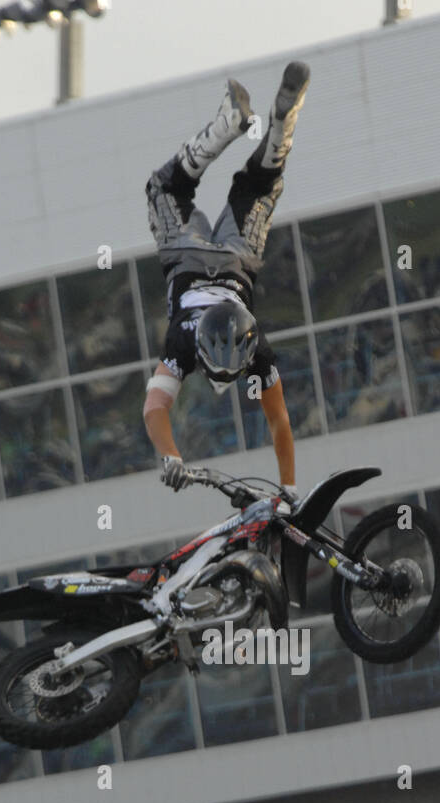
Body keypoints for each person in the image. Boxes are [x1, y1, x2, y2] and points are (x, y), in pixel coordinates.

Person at [143, 63, 311, 494]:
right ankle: (228, 125)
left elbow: (280, 422)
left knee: (260, 185)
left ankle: (280, 123)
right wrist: (170, 454)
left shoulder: (255, 348)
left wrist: (291, 487)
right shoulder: (186, 340)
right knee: (165, 189)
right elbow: (155, 409)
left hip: (238, 259)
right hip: (186, 252)